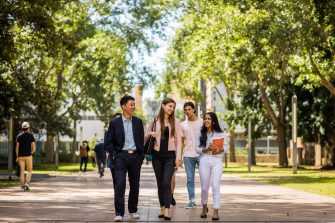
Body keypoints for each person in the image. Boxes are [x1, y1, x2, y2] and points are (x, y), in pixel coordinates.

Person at [104, 95, 144, 222]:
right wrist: (115, 154)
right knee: (120, 184)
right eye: (131, 104)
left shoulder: (138, 122)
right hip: (120, 156)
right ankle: (119, 213)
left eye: (134, 104)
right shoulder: (114, 123)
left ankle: (133, 210)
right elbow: (107, 142)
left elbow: (141, 140)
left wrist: (140, 156)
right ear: (123, 106)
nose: (133, 107)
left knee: (135, 185)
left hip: (135, 157)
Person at [145, 98, 183, 221]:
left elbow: (179, 142)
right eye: (169, 106)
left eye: (173, 107)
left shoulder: (176, 122)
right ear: (163, 106)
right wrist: (151, 134)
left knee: (167, 182)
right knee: (160, 183)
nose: (171, 109)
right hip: (157, 156)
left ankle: (167, 209)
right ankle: (162, 207)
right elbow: (144, 137)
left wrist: (178, 158)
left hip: (170, 156)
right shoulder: (154, 121)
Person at [195, 112, 227, 221]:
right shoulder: (200, 133)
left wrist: (218, 149)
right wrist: (206, 149)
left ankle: (216, 211)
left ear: (213, 120)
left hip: (217, 160)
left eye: (208, 119)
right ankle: (204, 208)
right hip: (204, 160)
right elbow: (197, 149)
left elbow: (225, 148)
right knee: (204, 188)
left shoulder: (221, 133)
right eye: (205, 119)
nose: (206, 121)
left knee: (215, 185)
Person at [181, 101, 203, 208]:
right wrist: (179, 157)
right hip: (188, 155)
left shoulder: (202, 122)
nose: (187, 111)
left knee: (205, 178)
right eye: (185, 110)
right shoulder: (183, 125)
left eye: (189, 109)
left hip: (201, 154)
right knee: (190, 179)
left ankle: (204, 200)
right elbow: (181, 142)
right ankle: (192, 200)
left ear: (194, 109)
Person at [15, 122, 36, 191]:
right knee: (29, 171)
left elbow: (17, 147)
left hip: (20, 157)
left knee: (22, 172)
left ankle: (21, 187)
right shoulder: (31, 136)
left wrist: (17, 156)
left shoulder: (19, 136)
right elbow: (34, 147)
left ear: (22, 128)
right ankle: (27, 184)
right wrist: (32, 152)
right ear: (28, 128)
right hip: (28, 156)